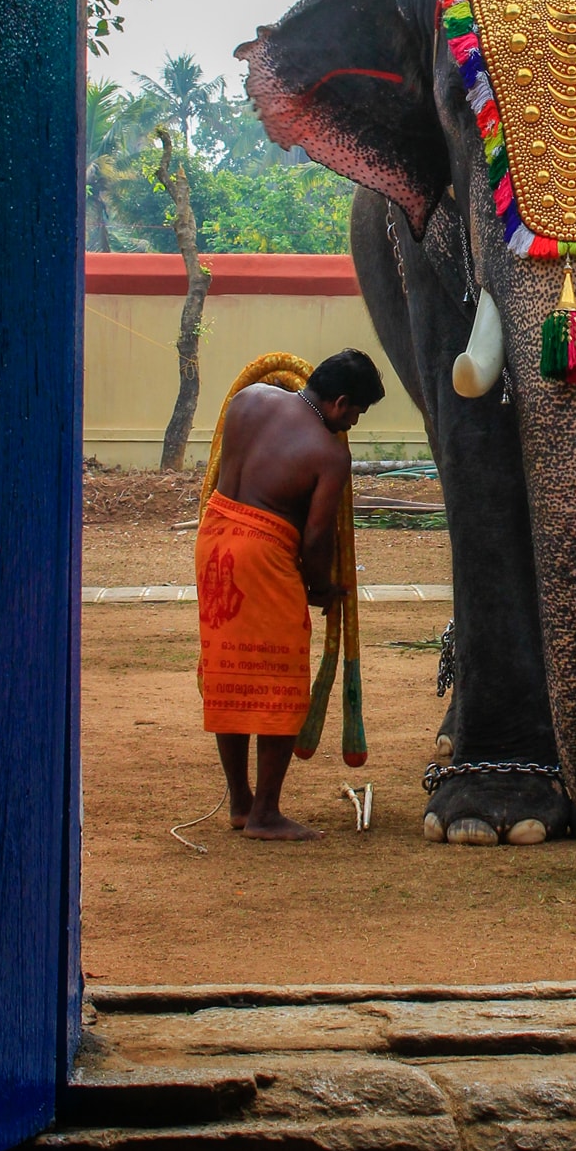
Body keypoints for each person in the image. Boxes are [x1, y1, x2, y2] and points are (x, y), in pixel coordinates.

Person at [195, 348, 384, 840]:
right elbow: (317, 537)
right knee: (279, 679)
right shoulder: (329, 452)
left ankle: (240, 801)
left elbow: (219, 469)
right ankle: (265, 813)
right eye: (357, 413)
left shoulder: (248, 398)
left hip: (215, 542)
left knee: (230, 673)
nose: (354, 424)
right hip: (265, 555)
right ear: (341, 402)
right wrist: (320, 588)